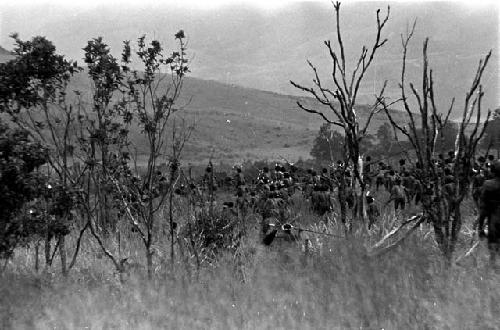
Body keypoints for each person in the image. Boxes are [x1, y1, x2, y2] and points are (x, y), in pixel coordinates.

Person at [477, 160, 500, 268]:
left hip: (494, 222)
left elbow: (483, 209)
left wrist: (480, 227)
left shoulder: (488, 185)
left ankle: (494, 269)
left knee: (493, 251)